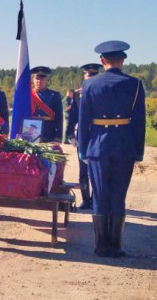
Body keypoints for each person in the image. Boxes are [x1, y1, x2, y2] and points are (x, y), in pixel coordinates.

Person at [78, 41, 145, 257]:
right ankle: (115, 246)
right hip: (124, 146)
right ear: (123, 60)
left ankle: (100, 246)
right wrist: (138, 151)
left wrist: (82, 149)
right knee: (118, 196)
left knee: (99, 195)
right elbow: (139, 121)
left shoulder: (89, 85)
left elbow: (84, 119)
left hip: (97, 146)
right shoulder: (135, 84)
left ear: (102, 60)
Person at [65, 63, 102, 210]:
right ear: (84, 76)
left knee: (97, 170)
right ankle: (86, 200)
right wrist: (70, 135)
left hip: (98, 135)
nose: (91, 78)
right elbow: (72, 116)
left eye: (94, 75)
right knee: (83, 171)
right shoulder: (77, 95)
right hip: (82, 136)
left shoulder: (101, 92)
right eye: (88, 75)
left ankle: (96, 200)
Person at [30, 66, 63, 143]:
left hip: (48, 131)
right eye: (37, 78)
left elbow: (59, 117)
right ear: (33, 80)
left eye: (42, 78)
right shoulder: (28, 95)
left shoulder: (55, 95)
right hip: (31, 129)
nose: (39, 81)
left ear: (46, 80)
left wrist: (58, 137)